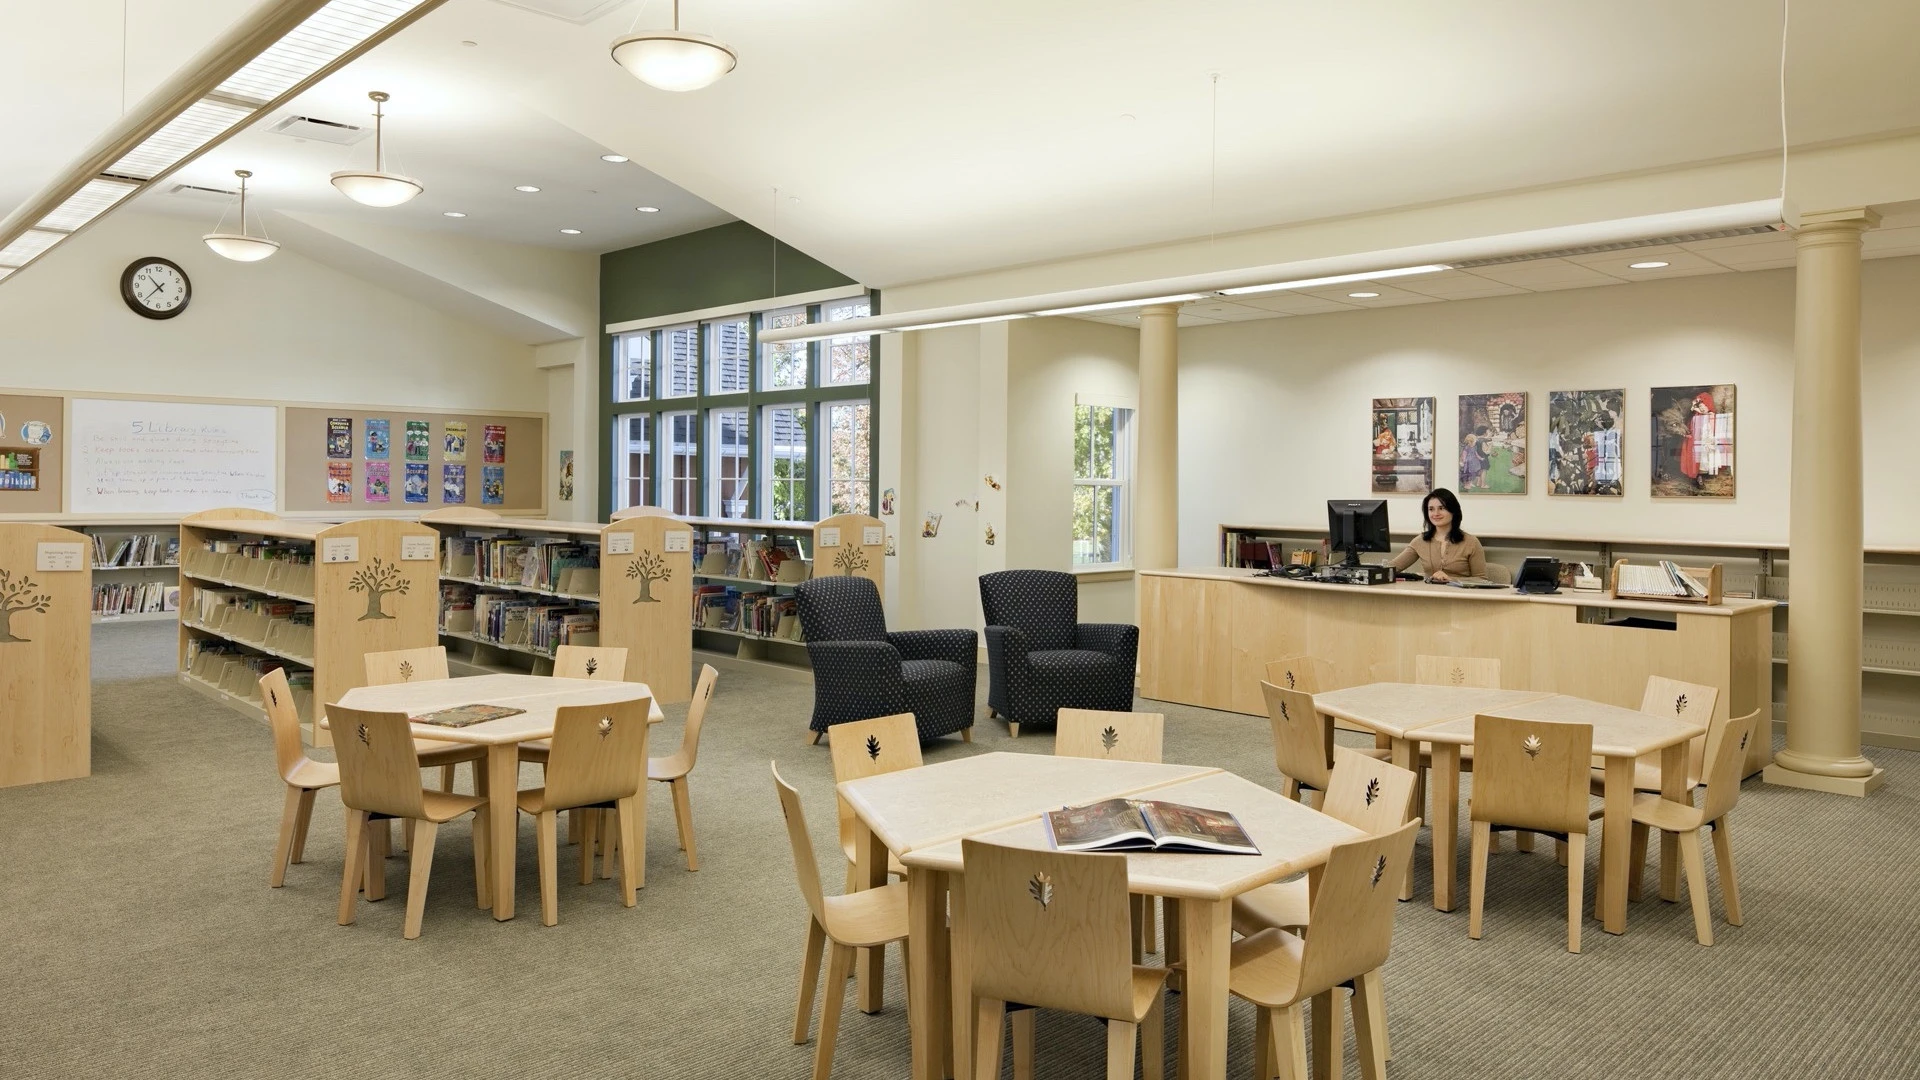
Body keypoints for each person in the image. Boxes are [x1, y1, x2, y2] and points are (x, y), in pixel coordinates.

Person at [1390, 487, 1486, 583]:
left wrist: (1452, 579)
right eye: (1431, 509)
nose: (1436, 513)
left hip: (1460, 592)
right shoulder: (1420, 541)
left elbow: (1482, 579)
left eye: (1441, 508)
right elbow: (1391, 568)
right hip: (1429, 592)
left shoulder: (1471, 542)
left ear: (1453, 510)